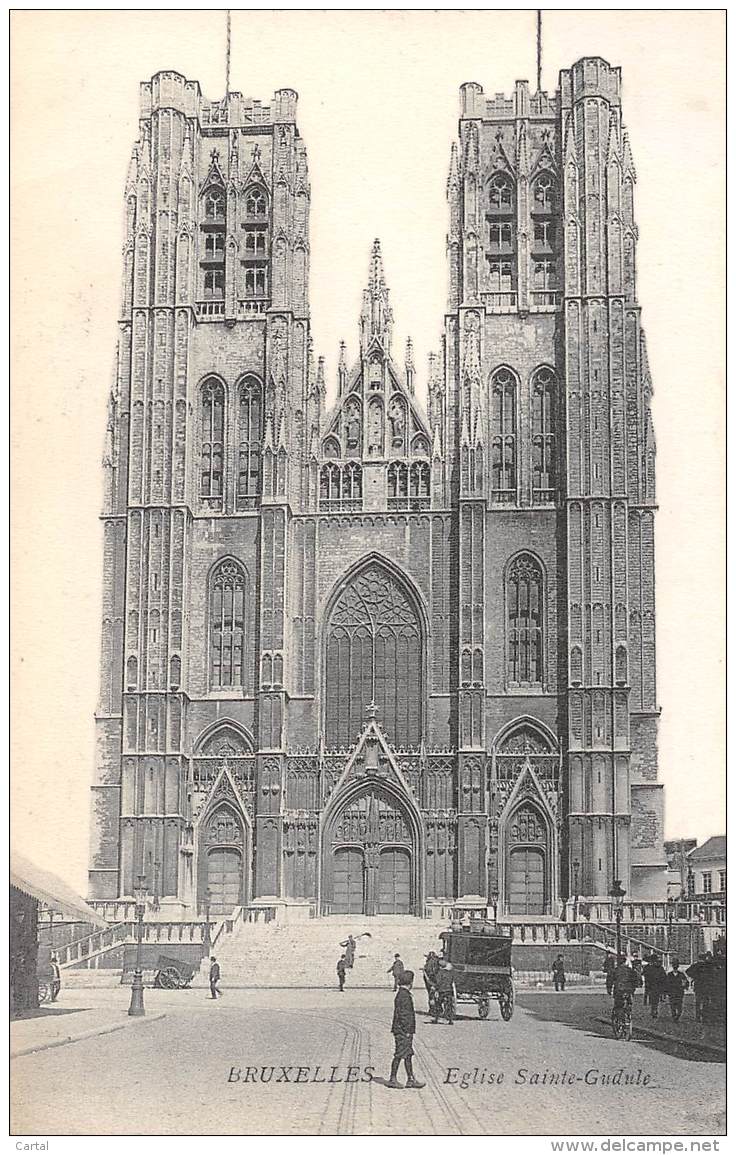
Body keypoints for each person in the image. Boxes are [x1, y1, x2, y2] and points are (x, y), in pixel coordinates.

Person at [387, 970, 424, 1090]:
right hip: (403, 1030)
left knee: (408, 1054)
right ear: (410, 982)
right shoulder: (404, 995)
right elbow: (404, 1015)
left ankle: (410, 1079)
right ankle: (392, 1079)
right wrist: (408, 1031)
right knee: (399, 1054)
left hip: (403, 1030)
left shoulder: (402, 993)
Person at [687, 953, 710, 1023]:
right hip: (706, 985)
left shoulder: (696, 965)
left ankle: (698, 1017)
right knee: (705, 1002)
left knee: (698, 1001)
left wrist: (695, 977)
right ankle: (705, 1017)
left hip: (698, 985)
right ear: (705, 958)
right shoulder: (707, 965)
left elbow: (688, 971)